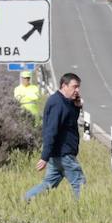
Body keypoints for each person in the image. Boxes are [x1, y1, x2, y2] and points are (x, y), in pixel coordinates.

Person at [24, 72, 85, 202]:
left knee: (48, 185)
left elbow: (70, 123)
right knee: (80, 184)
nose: (77, 90)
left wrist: (77, 107)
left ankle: (26, 200)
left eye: (78, 87)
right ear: (64, 85)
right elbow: (51, 131)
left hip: (58, 154)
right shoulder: (57, 103)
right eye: (75, 86)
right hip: (63, 153)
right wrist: (45, 156)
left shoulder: (65, 102)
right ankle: (84, 210)